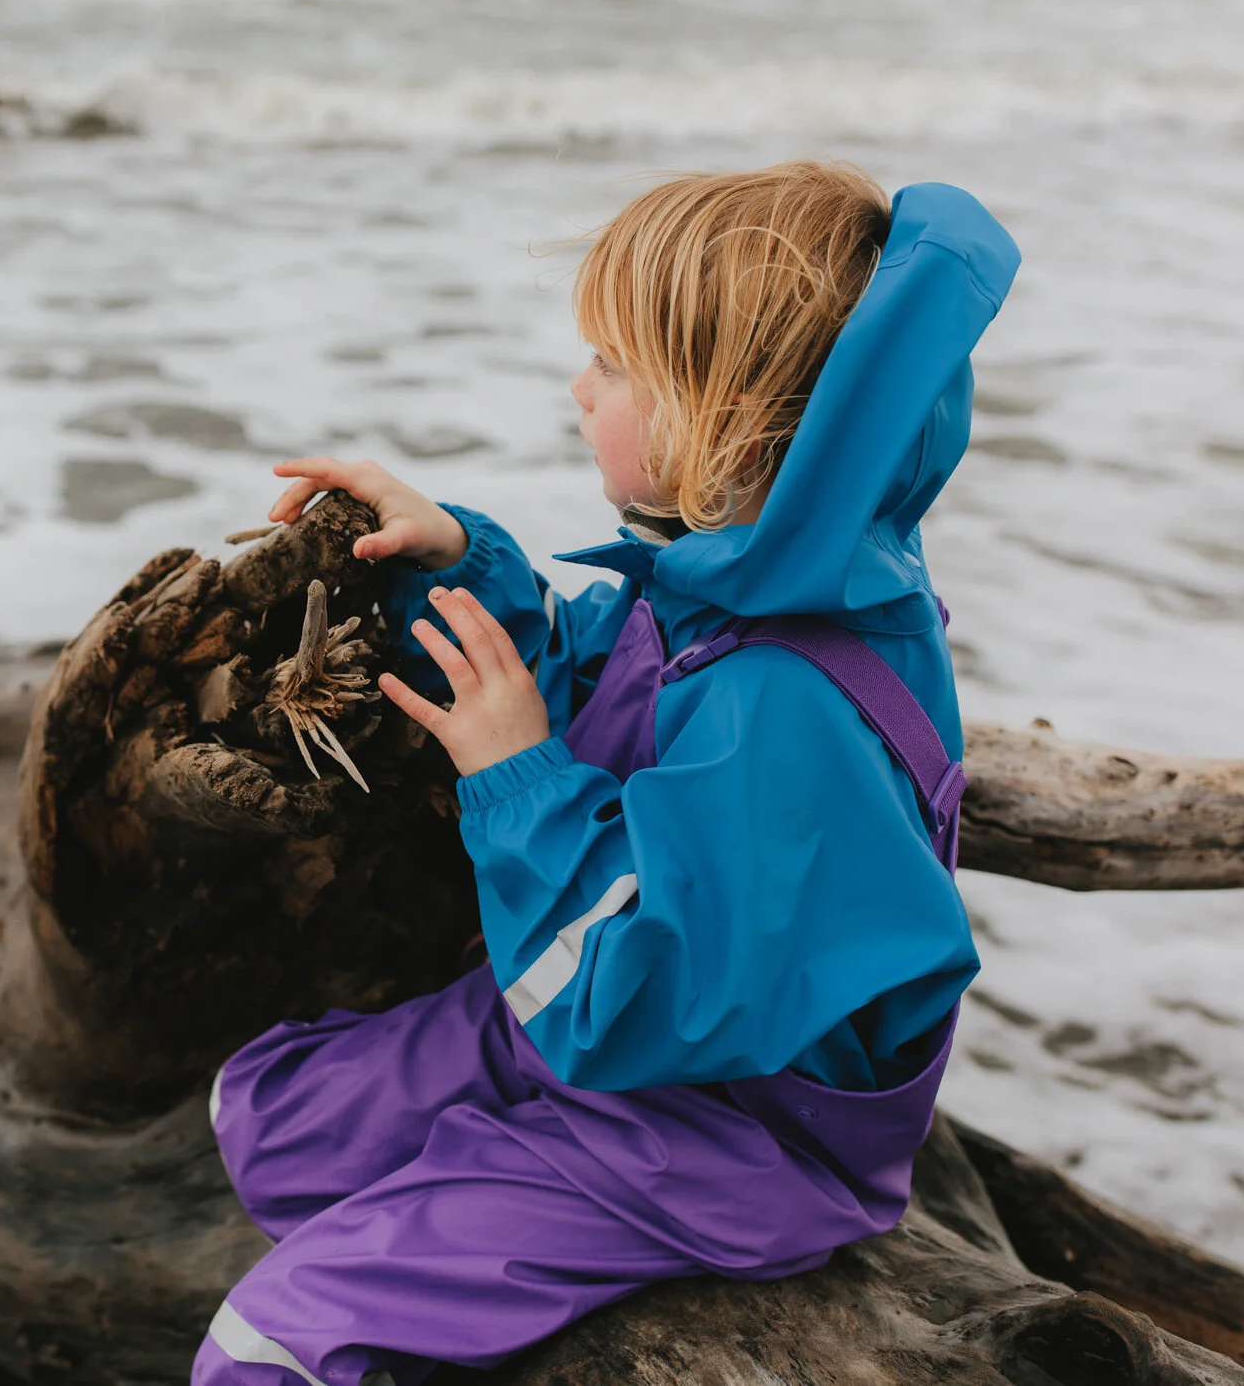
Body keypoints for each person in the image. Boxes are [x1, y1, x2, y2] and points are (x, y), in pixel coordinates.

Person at [193, 162, 1021, 1386]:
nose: (580, 386)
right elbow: (607, 677)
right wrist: (458, 561)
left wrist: (517, 776)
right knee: (275, 1121)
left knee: (278, 1345)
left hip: (727, 1123)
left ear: (728, 420)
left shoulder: (784, 694)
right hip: (659, 1024)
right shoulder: (761, 583)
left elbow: (628, 1000)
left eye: (617, 366)